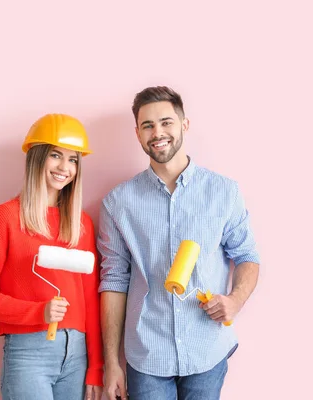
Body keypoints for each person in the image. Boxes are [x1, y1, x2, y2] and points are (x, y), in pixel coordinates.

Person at [97, 86, 261, 400]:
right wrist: (111, 364)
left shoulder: (223, 192)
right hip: (147, 355)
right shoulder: (118, 203)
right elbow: (114, 281)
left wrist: (235, 300)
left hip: (206, 350)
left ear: (184, 125)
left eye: (166, 122)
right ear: (138, 133)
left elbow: (247, 255)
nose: (158, 132)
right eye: (148, 125)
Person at [0, 114, 104, 400]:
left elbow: (90, 299)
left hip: (76, 354)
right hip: (28, 353)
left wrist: (96, 368)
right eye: (55, 155)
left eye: (73, 159)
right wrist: (36, 312)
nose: (65, 167)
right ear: (37, 158)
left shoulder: (82, 224)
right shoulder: (5, 217)